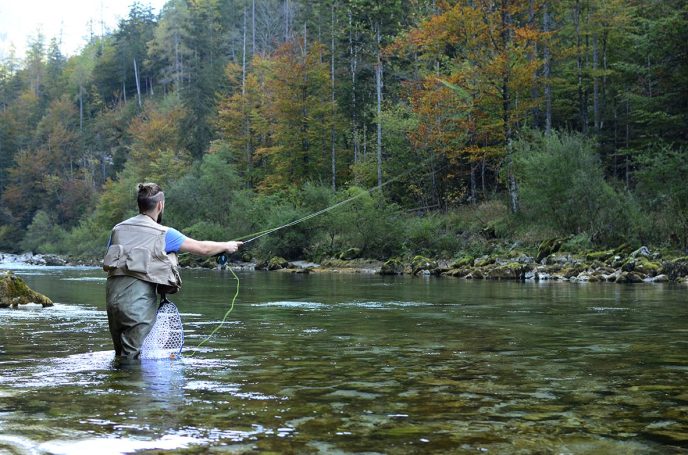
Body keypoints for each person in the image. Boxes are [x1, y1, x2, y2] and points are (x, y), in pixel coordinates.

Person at [103, 182, 242, 358]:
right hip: (137, 304)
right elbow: (202, 248)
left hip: (113, 301)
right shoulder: (164, 233)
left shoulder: (118, 229)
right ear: (160, 205)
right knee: (132, 358)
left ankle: (119, 384)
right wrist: (228, 246)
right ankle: (129, 384)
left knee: (120, 354)